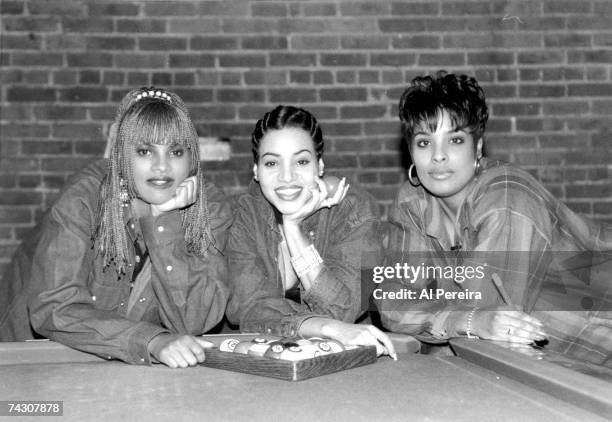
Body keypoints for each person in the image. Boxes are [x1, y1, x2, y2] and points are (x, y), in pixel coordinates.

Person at [377, 71, 612, 366]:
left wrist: (464, 320)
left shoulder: (506, 198)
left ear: (477, 146)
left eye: (455, 140)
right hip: (549, 363)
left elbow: (492, 319)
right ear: (411, 151)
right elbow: (392, 301)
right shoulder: (413, 202)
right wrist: (470, 321)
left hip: (597, 348)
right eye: (424, 142)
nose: (438, 156)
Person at [0, 87, 232, 368]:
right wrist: (150, 340)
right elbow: (55, 306)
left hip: (130, 368)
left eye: (176, 151)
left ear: (192, 157)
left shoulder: (210, 207)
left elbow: (194, 320)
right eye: (145, 151)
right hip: (33, 359)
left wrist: (162, 220)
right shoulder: (84, 198)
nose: (162, 166)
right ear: (121, 155)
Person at [226, 105, 396, 358]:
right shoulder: (245, 215)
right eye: (272, 162)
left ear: (320, 166)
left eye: (301, 161)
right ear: (256, 171)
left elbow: (344, 310)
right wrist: (326, 326)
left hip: (340, 363)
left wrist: (294, 229)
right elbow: (247, 311)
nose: (287, 176)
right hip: (263, 364)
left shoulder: (353, 209)